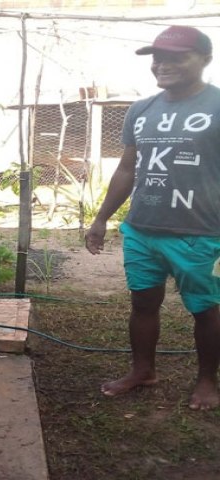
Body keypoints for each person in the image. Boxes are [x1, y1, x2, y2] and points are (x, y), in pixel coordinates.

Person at [85, 25, 220, 411]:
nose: (163, 64)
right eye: (158, 57)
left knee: (205, 308)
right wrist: (101, 218)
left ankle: (207, 380)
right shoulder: (141, 109)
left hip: (201, 232)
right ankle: (143, 370)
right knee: (143, 304)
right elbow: (128, 169)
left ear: (205, 59)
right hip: (142, 228)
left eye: (177, 56)